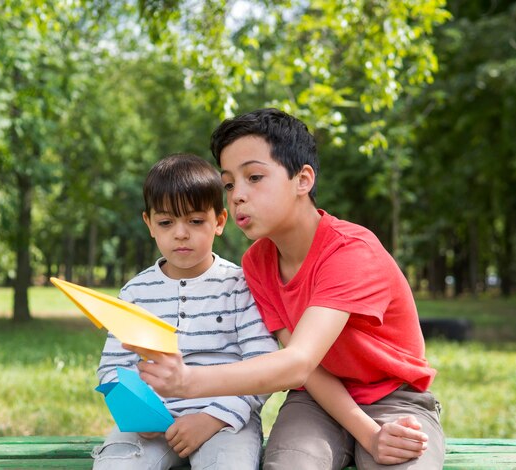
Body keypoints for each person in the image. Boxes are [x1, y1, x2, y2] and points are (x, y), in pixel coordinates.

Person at [125, 109, 445, 470]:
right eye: (229, 184)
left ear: (303, 179)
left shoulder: (351, 252)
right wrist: (366, 433)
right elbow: (305, 370)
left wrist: (187, 382)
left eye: (255, 177)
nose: (237, 196)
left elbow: (297, 362)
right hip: (315, 400)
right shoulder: (257, 262)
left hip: (395, 399)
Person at [92, 153, 279, 470]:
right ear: (149, 224)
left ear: (219, 222)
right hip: (152, 424)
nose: (180, 233)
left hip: (224, 422)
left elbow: (262, 366)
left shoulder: (239, 285)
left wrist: (211, 418)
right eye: (166, 222)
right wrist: (139, 413)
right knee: (115, 465)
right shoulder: (136, 293)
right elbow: (112, 369)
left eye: (195, 221)